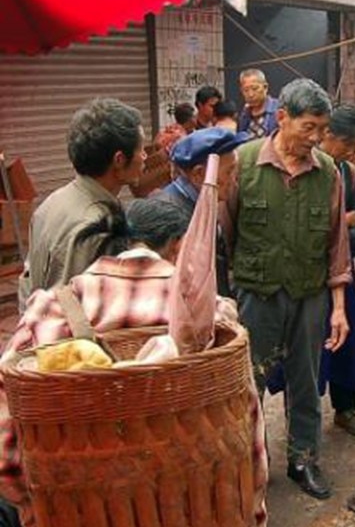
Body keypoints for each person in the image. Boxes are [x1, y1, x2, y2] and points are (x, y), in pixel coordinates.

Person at [3, 198, 267, 527]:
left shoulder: (52, 309)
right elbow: (247, 430)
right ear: (179, 246)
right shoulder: (210, 317)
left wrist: (35, 510)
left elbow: (6, 448)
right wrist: (253, 512)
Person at [228, 78, 351, 500]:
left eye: (322, 129)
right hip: (256, 293)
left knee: (306, 380)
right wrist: (223, 304)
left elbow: (337, 243)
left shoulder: (328, 172)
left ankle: (303, 459)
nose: (316, 138)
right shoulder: (242, 163)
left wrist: (338, 307)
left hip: (309, 293)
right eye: (309, 127)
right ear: (282, 119)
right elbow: (222, 236)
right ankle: (244, 465)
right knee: (247, 385)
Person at [18, 98, 147, 310]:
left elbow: (27, 284)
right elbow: (81, 312)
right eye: (141, 149)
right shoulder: (96, 226)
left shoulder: (51, 203)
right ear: (119, 160)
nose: (145, 156)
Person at [316, 104, 355, 438]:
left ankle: (345, 408)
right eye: (348, 146)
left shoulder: (347, 172)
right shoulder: (307, 169)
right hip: (309, 276)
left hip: (342, 269)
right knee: (306, 350)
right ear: (329, 136)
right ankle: (302, 421)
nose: (352, 153)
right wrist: (340, 221)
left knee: (348, 341)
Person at [153, 127, 245, 297]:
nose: (235, 181)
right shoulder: (170, 218)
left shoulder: (203, 204)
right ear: (199, 174)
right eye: (229, 171)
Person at [237, 68, 279, 141]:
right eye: (246, 90)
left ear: (265, 87)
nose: (250, 94)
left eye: (254, 88)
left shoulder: (278, 109)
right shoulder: (244, 114)